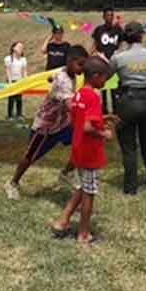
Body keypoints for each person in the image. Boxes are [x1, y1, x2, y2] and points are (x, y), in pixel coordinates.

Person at [4, 45, 89, 200]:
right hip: (46, 126)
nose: (83, 69)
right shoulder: (65, 80)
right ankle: (12, 183)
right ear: (70, 61)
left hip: (62, 123)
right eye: (80, 64)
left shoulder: (70, 73)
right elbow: (71, 106)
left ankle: (66, 174)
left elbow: (56, 78)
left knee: (82, 143)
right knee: (30, 157)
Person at [51, 57, 114, 245]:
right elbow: (88, 127)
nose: (105, 82)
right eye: (104, 78)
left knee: (82, 187)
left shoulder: (79, 94)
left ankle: (63, 221)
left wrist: (103, 117)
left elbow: (77, 120)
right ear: (95, 76)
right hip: (90, 153)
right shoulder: (93, 96)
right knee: (89, 193)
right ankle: (84, 233)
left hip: (79, 149)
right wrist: (104, 133)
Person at [110, 22, 146, 194]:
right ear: (142, 35)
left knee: (128, 145)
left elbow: (107, 74)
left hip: (127, 101)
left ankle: (130, 187)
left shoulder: (118, 57)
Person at [92, 7, 124, 113]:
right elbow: (95, 45)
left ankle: (116, 113)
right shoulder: (99, 30)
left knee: (115, 90)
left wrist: (118, 52)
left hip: (114, 64)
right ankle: (104, 112)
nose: (109, 17)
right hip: (102, 64)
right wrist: (94, 54)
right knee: (103, 90)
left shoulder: (118, 30)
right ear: (103, 17)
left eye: (111, 15)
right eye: (107, 15)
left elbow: (121, 43)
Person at [4, 41, 28, 120]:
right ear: (14, 48)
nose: (21, 49)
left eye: (22, 48)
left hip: (20, 81)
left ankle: (19, 114)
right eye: (19, 47)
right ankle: (10, 115)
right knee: (11, 98)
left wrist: (26, 80)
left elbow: (24, 71)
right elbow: (8, 71)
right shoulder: (8, 59)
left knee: (19, 98)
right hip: (12, 81)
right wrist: (10, 82)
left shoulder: (23, 60)